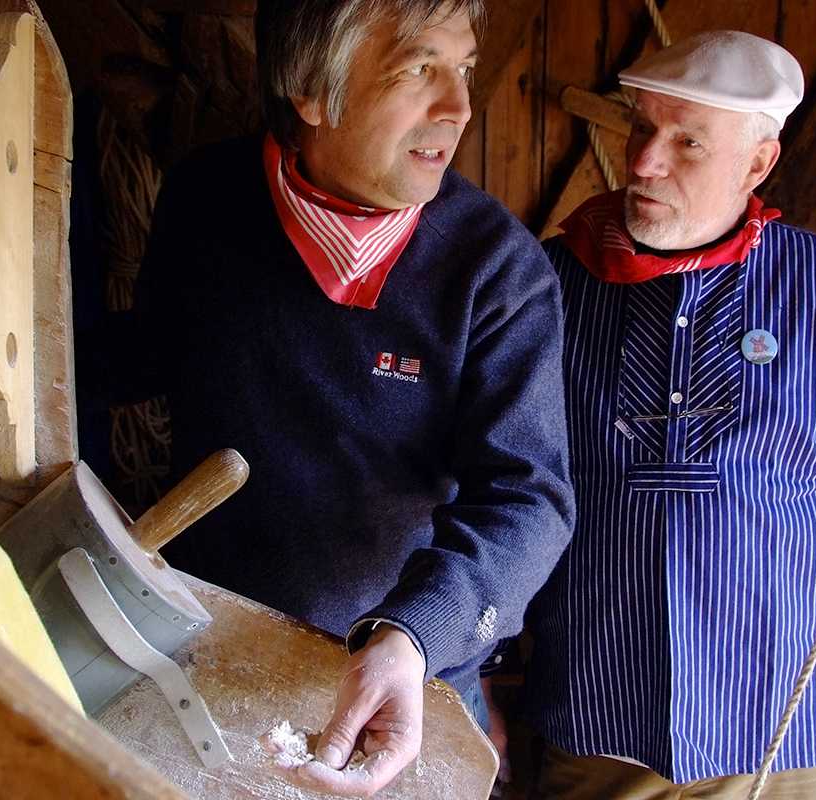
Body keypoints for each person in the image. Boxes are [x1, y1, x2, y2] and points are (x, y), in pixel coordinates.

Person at [128, 1, 574, 795]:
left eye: (463, 68)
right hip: (196, 642)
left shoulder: (495, 271)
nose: (460, 106)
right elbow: (152, 353)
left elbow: (529, 499)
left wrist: (414, 635)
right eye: (418, 68)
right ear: (310, 88)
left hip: (391, 683)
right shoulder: (207, 196)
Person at [523, 30, 816, 800]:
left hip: (792, 736)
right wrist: (475, 677)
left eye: (688, 142)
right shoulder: (555, 283)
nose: (644, 162)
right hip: (598, 722)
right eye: (642, 127)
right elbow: (499, 483)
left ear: (757, 163)